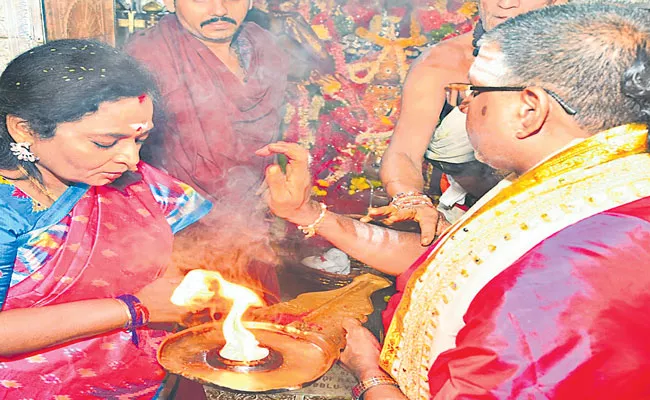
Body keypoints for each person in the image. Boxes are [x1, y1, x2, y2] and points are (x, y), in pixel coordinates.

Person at [258, 3, 650, 398]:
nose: (463, 105)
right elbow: (455, 261)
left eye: (475, 91)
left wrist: (370, 373)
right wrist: (306, 213)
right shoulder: (583, 181)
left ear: (529, 110)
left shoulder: (555, 283)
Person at [0, 39, 235, 398]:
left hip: (144, 380)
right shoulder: (7, 211)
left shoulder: (131, 180)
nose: (130, 158)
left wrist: (191, 276)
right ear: (25, 129)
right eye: (105, 143)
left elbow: (190, 232)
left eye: (140, 139)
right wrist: (133, 308)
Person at [375, 0, 562, 246]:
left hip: (566, 217)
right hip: (468, 226)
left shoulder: (588, 58)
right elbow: (404, 153)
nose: (505, 4)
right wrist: (411, 200)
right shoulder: (443, 63)